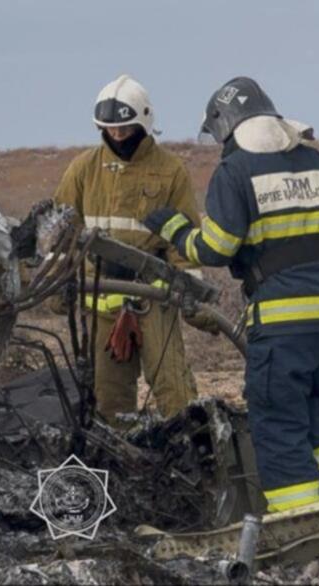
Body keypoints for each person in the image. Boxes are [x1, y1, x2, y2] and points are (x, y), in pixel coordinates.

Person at [144, 77, 319, 512]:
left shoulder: (236, 171)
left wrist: (175, 229)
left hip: (283, 319)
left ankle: (300, 521)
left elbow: (217, 247)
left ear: (226, 128)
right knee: (310, 409)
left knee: (277, 419)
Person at [53, 74, 210, 424]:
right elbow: (61, 232)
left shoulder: (170, 171)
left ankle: (192, 457)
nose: (118, 136)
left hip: (153, 299)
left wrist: (190, 294)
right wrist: (56, 283)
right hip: (99, 303)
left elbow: (183, 241)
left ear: (144, 122)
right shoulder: (83, 170)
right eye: (110, 130)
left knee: (174, 390)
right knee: (108, 401)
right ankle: (123, 468)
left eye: (125, 128)